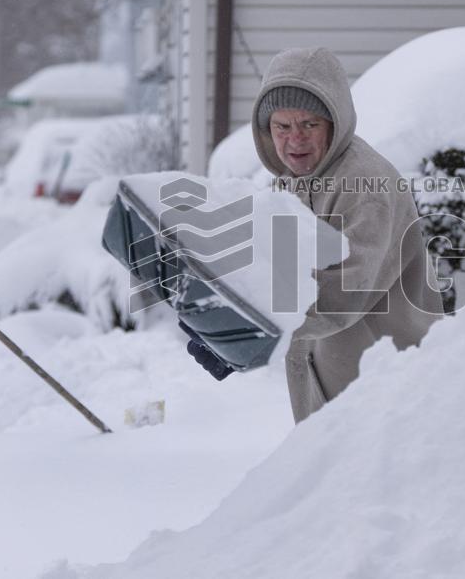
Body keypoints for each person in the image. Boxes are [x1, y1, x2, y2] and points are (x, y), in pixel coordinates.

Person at [185, 47, 445, 423]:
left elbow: (338, 295)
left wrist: (245, 334)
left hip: (390, 399)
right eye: (282, 127)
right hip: (332, 393)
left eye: (309, 124)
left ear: (333, 123)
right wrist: (224, 325)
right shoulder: (291, 186)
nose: (295, 141)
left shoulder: (364, 187)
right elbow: (269, 276)